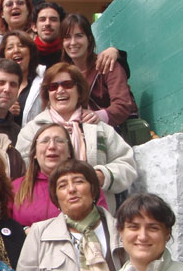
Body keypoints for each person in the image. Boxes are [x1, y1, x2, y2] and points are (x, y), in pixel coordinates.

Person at [15, 63, 137, 212]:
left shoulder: (99, 128)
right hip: (47, 216)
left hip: (97, 214)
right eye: (53, 87)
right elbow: (23, 174)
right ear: (47, 93)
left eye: (67, 84)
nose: (60, 90)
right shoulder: (32, 130)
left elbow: (127, 165)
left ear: (79, 90)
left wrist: (101, 176)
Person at [61, 13, 138, 127]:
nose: (73, 42)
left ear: (89, 39)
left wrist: (98, 116)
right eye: (67, 37)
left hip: (120, 134)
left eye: (79, 36)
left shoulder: (107, 64)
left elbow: (122, 106)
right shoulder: (65, 74)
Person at [12, 123, 74, 228]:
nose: (52, 146)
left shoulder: (85, 185)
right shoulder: (15, 188)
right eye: (45, 141)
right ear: (34, 153)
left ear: (69, 152)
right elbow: (3, 226)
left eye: (59, 140)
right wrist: (23, 232)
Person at [0, 30, 44, 126]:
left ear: (30, 52)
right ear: (4, 55)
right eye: (10, 48)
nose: (16, 50)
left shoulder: (44, 82)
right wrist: (3, 110)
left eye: (21, 46)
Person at [34, 2, 68, 69]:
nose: (47, 23)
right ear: (34, 26)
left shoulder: (69, 53)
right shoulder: (28, 54)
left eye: (53, 20)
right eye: (42, 19)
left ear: (61, 25)